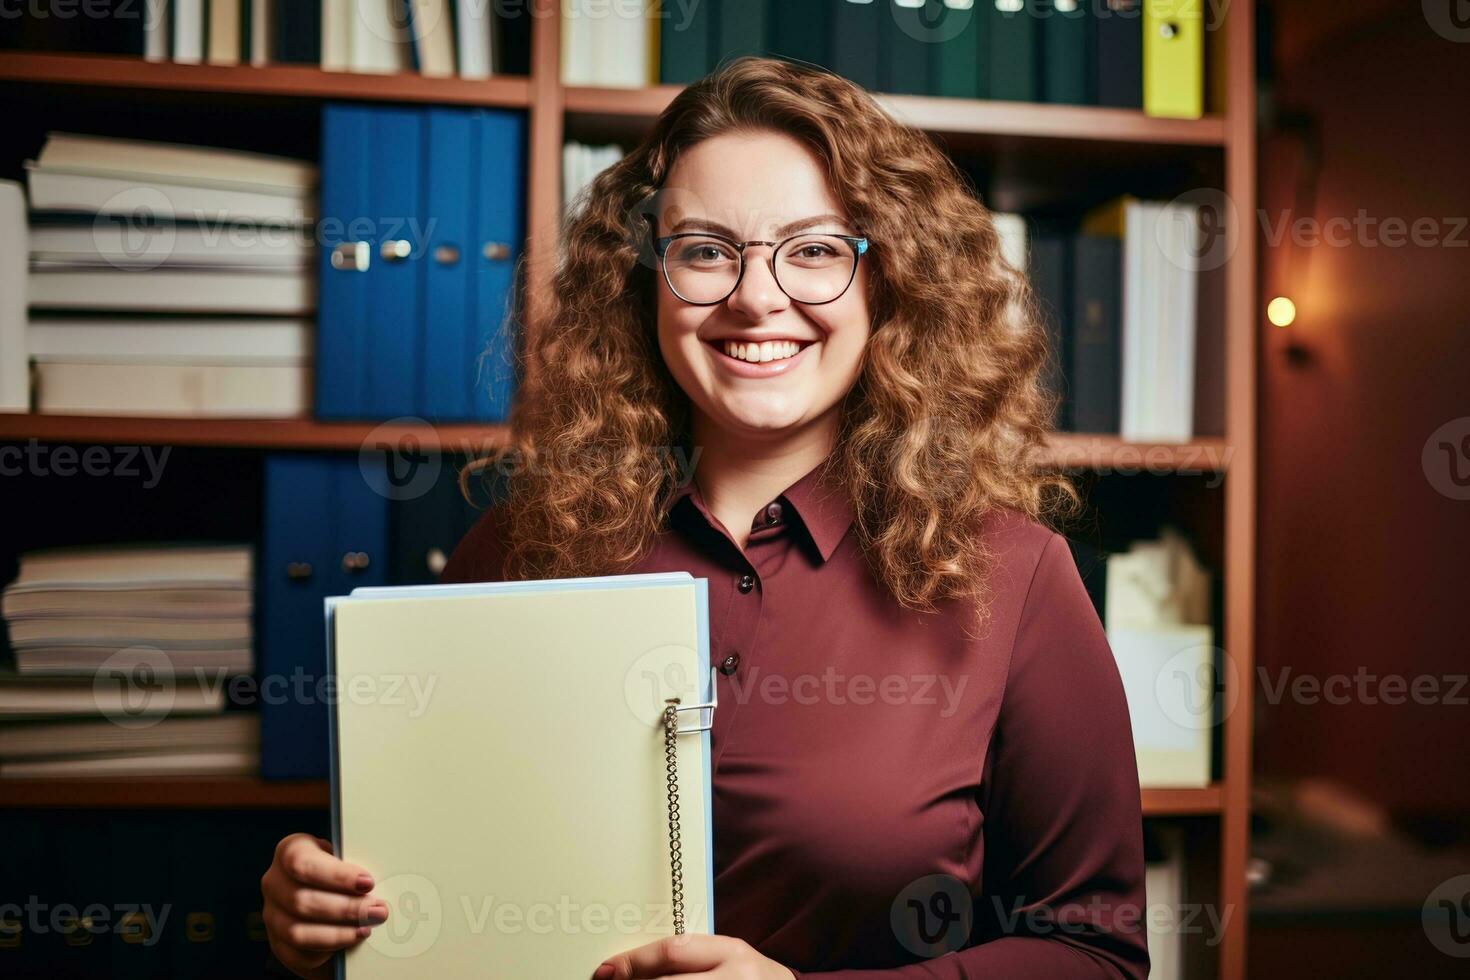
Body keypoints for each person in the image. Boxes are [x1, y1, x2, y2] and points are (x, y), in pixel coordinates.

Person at [261, 56, 1149, 979]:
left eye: (813, 249)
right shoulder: (518, 549)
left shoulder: (1015, 578)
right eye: (705, 250)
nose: (757, 298)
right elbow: (433, 882)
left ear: (888, 283)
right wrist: (323, 909)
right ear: (642, 281)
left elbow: (1097, 955)